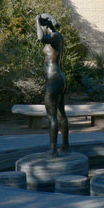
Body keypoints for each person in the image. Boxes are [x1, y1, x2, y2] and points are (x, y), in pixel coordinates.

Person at [36, 13, 69, 157]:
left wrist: (36, 21)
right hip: (60, 77)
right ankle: (66, 145)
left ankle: (53, 150)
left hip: (53, 78)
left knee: (52, 116)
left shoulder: (54, 37)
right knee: (61, 113)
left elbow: (40, 38)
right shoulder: (58, 36)